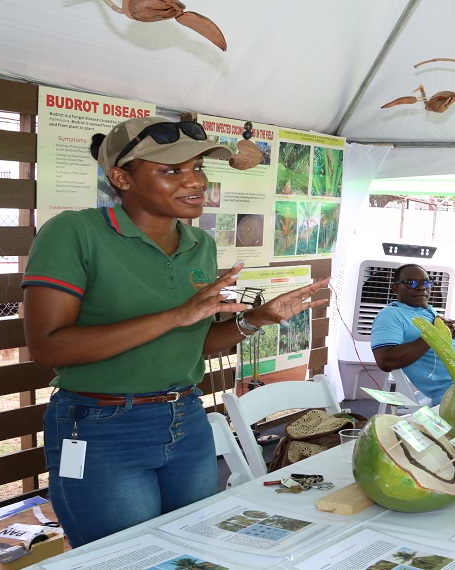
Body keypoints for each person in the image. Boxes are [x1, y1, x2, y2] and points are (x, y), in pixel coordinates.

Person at [22, 116, 330, 547]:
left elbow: (196, 343)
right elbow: (48, 347)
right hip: (101, 427)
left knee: (192, 548)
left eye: (198, 167)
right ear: (120, 178)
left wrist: (256, 319)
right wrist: (175, 315)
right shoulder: (75, 233)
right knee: (125, 556)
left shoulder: (197, 243)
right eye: (171, 170)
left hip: (186, 419)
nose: (195, 181)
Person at [370, 263, 455, 405]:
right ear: (395, 288)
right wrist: (434, 335)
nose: (421, 287)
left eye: (426, 282)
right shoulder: (390, 315)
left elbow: (444, 337)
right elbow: (385, 360)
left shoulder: (426, 311)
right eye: (411, 283)